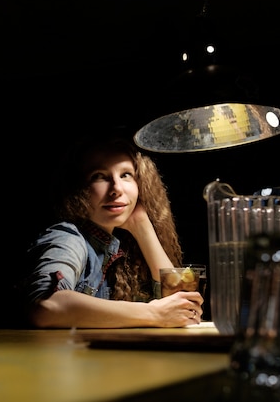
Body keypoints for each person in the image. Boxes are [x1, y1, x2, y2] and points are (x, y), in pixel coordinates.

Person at [23, 135, 203, 328]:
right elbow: (45, 307)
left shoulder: (122, 247)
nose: (116, 189)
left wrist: (144, 229)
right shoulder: (68, 237)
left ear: (141, 186)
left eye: (126, 175)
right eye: (99, 176)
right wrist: (153, 313)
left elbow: (183, 307)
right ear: (78, 190)